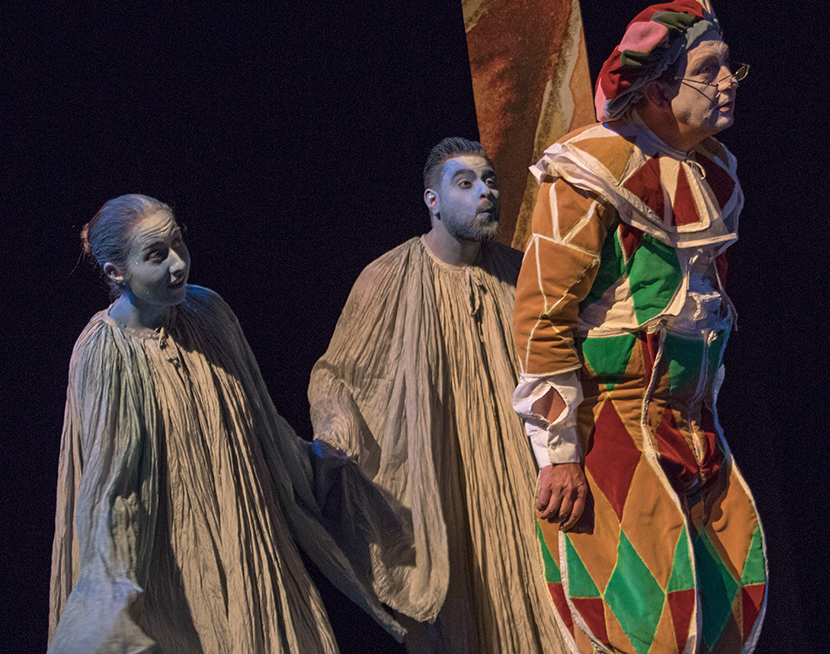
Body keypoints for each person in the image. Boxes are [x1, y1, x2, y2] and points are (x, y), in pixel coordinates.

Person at [511, 0, 767, 654]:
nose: (728, 82)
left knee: (717, 617)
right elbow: (542, 317)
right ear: (656, 90)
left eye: (728, 65)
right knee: (647, 628)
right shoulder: (588, 172)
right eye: (707, 70)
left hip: (696, 429)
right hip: (615, 429)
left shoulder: (711, 172)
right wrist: (560, 455)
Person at [49, 194, 407, 653]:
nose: (178, 264)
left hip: (248, 539)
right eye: (156, 255)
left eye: (178, 243)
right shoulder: (107, 353)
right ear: (116, 273)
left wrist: (320, 463)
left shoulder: (208, 312)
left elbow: (261, 422)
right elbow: (112, 490)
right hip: (174, 568)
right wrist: (109, 610)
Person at [308, 138, 567, 653]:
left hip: (523, 473)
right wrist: (336, 433)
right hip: (443, 481)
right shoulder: (387, 278)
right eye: (465, 183)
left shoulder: (521, 273)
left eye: (489, 181)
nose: (485, 193)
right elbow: (341, 375)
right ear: (433, 200)